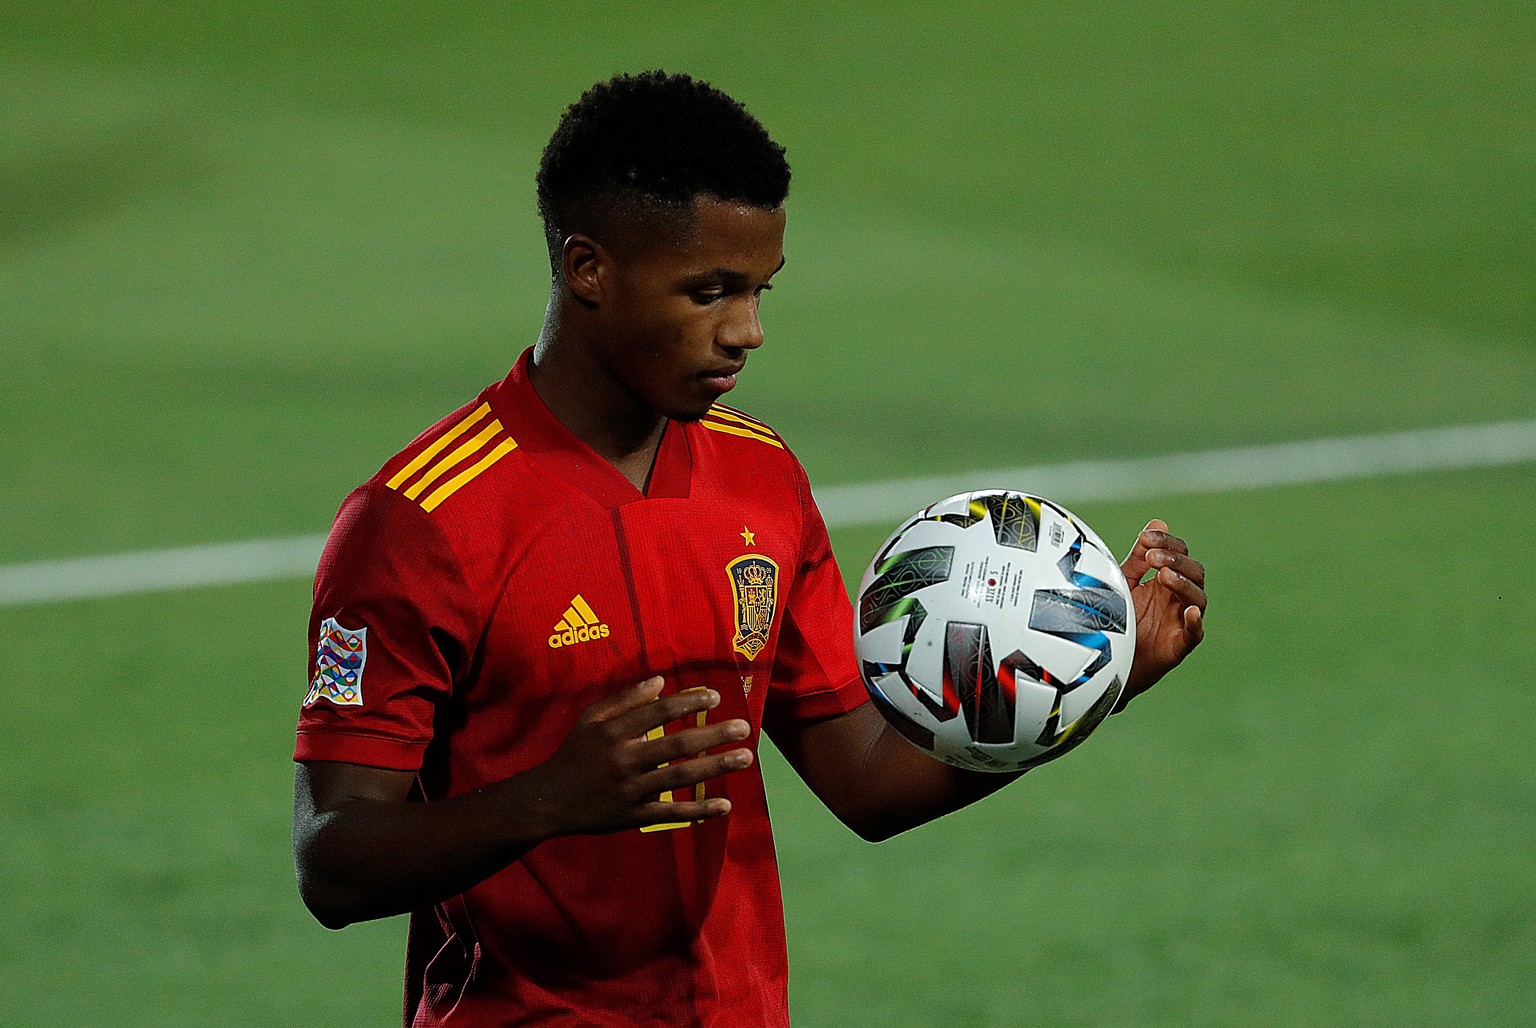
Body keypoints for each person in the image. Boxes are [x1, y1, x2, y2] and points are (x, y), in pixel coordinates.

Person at [292, 70, 1207, 1026]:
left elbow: (866, 780)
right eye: (710, 292)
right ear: (588, 269)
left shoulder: (760, 477)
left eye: (760, 290)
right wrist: (547, 799)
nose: (748, 332)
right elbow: (334, 862)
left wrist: (1090, 684)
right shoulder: (423, 520)